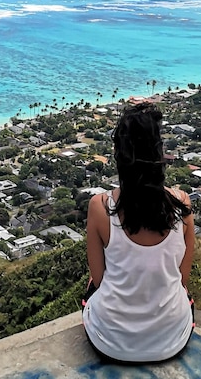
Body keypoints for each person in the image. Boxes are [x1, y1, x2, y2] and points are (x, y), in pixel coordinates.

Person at [82, 101, 195, 363]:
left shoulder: (100, 207)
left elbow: (99, 281)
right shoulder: (182, 205)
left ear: (119, 154)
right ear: (159, 152)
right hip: (170, 340)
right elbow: (182, 280)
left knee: (90, 289)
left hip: (110, 342)